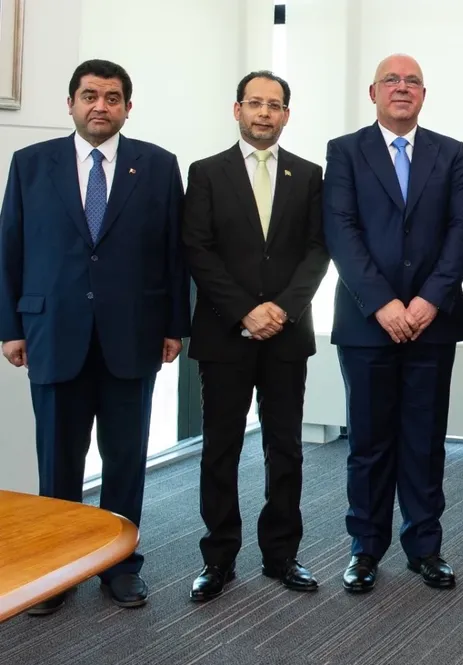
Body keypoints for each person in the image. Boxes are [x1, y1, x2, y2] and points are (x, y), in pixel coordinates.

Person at [0, 59, 189, 612]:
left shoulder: (157, 166)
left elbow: (174, 254)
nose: (99, 106)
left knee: (125, 458)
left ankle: (120, 566)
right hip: (53, 333)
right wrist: (10, 328)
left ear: (128, 106)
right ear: (70, 104)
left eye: (111, 97)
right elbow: (9, 250)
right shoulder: (31, 164)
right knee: (58, 459)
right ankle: (55, 570)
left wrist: (175, 326)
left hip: (133, 336)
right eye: (89, 96)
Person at [324, 54, 463, 593]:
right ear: (373, 93)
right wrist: (383, 303)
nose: (402, 88)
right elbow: (340, 230)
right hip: (367, 324)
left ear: (424, 94)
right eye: (391, 80)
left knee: (424, 440)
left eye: (412, 81)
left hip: (432, 324)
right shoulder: (345, 151)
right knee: (368, 443)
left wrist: (430, 300)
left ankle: (425, 547)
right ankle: (365, 548)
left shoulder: (450, 153)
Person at [182, 71, 329, 601]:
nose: (264, 113)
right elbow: (197, 250)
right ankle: (218, 557)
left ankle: (281, 554)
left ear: (286, 114)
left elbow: (318, 250)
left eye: (274, 105)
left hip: (286, 336)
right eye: (255, 103)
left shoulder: (308, 175)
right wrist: (245, 311)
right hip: (226, 334)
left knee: (284, 447)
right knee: (220, 449)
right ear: (237, 109)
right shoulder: (206, 173)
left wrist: (282, 311)